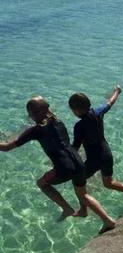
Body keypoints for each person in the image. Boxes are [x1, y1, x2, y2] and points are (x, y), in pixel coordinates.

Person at [0, 96, 116, 234]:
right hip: (78, 162)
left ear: (33, 114)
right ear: (47, 109)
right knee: (83, 194)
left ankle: (67, 209)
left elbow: (7, 147)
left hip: (64, 167)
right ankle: (103, 218)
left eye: (30, 113)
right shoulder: (58, 121)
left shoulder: (35, 130)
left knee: (42, 183)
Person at [69, 86, 123, 212]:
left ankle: (83, 209)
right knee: (108, 183)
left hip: (94, 160)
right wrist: (117, 91)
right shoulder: (98, 112)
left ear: (75, 111)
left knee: (77, 181)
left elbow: (75, 147)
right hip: (106, 154)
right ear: (89, 104)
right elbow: (110, 102)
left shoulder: (79, 126)